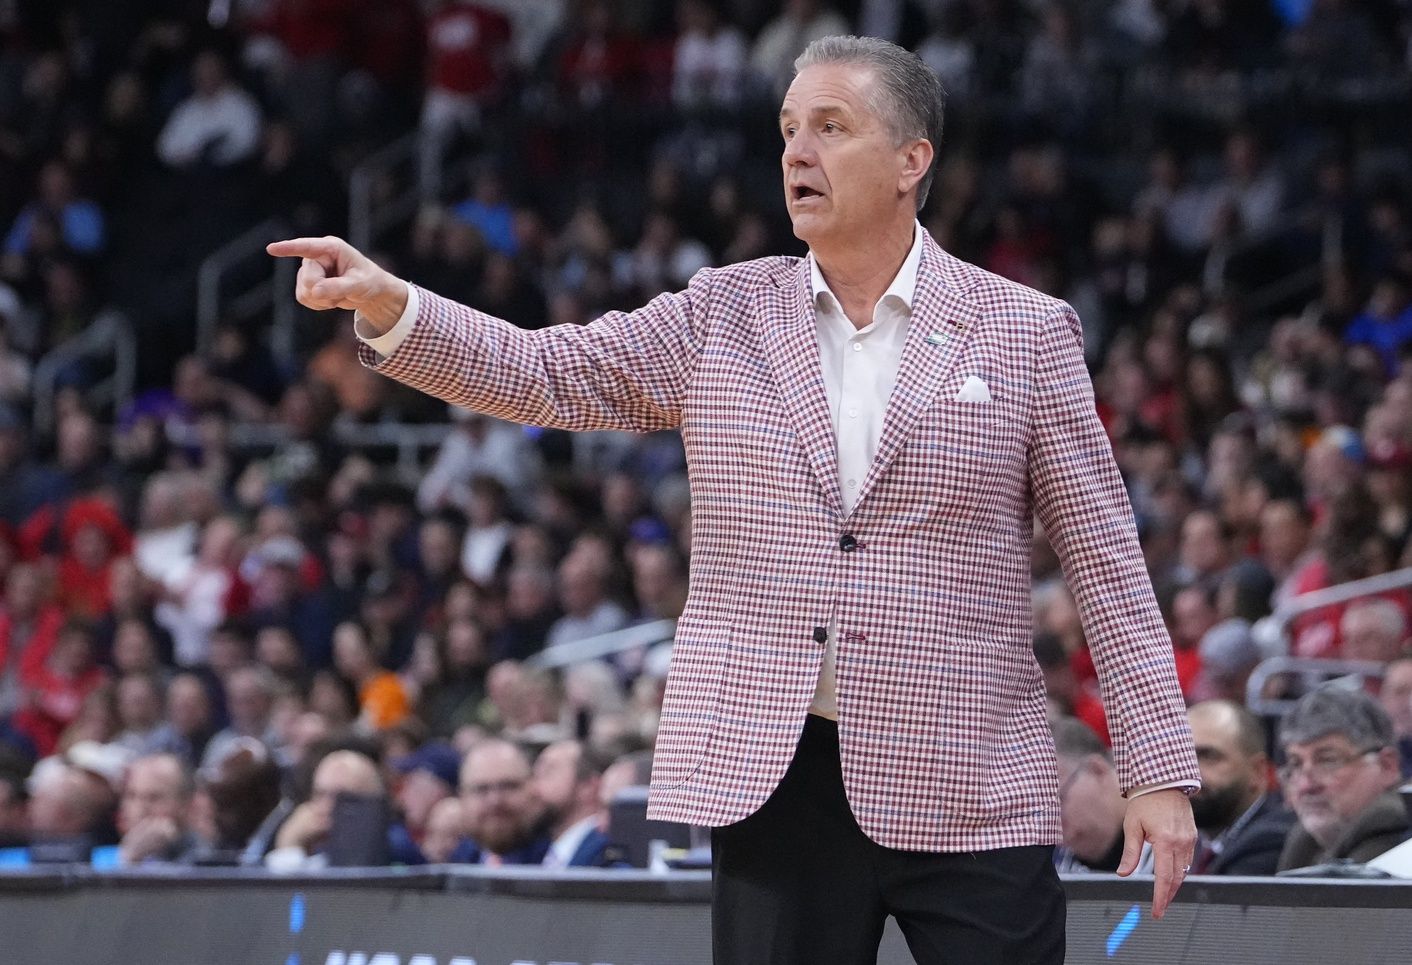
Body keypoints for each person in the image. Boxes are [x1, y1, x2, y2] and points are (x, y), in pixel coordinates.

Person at [270, 35, 1199, 964]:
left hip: (966, 768)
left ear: (913, 160)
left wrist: (1155, 766)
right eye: (789, 129)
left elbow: (1105, 557)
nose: (798, 152)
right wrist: (397, 307)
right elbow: (549, 373)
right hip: (772, 767)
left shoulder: (1024, 331)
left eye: (831, 127)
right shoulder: (721, 311)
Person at [1276, 686, 1411, 872]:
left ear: (1387, 766)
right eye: (1296, 764)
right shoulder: (1303, 842)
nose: (1306, 786)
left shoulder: (1393, 839)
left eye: (1328, 760)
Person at [1186, 701, 1293, 875]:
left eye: (1209, 756)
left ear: (1258, 771)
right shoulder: (1188, 841)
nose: (1190, 772)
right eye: (1183, 758)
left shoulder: (1271, 841)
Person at [451, 737, 548, 865]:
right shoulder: (458, 862)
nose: (495, 801)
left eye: (509, 786)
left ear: (534, 789)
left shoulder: (560, 863)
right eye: (481, 789)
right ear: (462, 798)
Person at [532, 738, 611, 868]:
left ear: (589, 787)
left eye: (547, 773)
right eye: (534, 775)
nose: (533, 788)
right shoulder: (543, 851)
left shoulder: (605, 856)